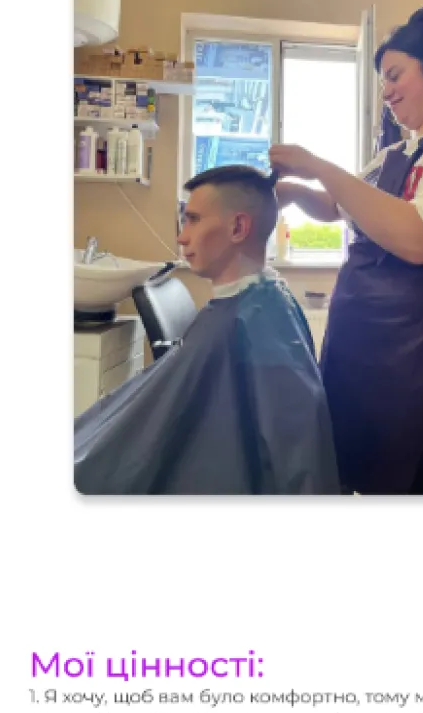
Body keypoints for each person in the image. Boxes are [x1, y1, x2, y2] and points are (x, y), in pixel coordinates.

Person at [269, 0, 423, 495]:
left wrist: (317, 164)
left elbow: (417, 238)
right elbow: (339, 207)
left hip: (420, 361)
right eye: (383, 81)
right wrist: (292, 192)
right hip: (363, 353)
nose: (387, 91)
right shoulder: (393, 154)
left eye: (395, 75)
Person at [74, 164, 340, 495]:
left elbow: (299, 449)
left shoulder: (252, 322)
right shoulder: (263, 303)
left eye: (194, 219)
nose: (181, 236)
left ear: (239, 227)